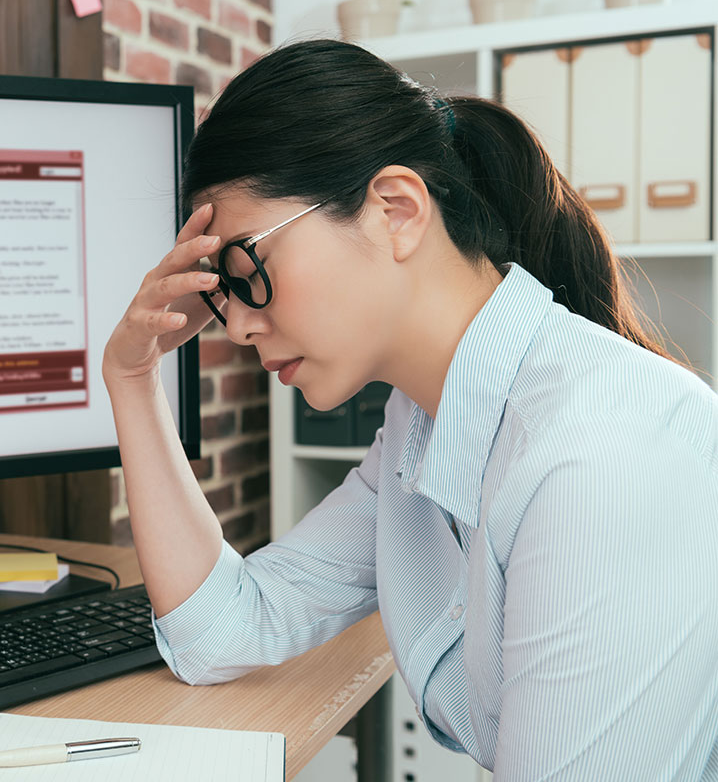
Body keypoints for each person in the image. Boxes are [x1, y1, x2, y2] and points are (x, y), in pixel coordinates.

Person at [102, 38, 718, 779]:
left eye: (246, 272)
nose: (234, 326)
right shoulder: (421, 425)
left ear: (396, 209)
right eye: (220, 294)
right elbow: (225, 632)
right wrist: (131, 377)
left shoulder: (605, 458)